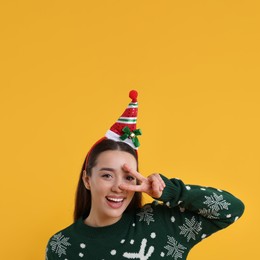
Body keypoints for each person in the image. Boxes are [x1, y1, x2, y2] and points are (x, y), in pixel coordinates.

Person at [46, 91, 244, 260]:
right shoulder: (61, 246)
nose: (119, 187)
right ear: (87, 180)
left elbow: (231, 209)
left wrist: (172, 192)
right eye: (107, 175)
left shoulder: (161, 224)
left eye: (129, 177)